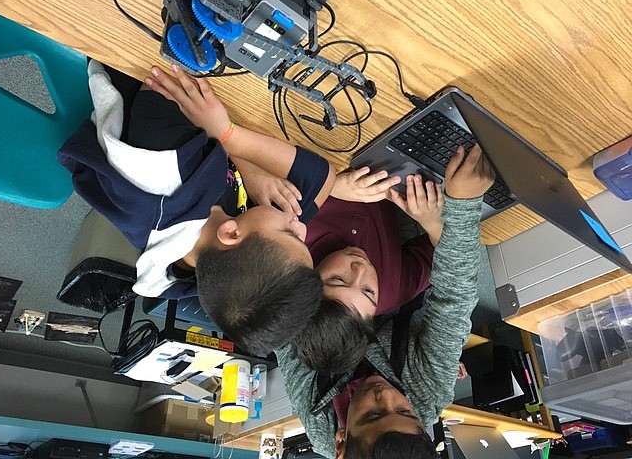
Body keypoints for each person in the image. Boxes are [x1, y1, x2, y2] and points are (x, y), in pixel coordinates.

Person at [58, 60, 335, 354]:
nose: (301, 225)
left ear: (231, 234)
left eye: (291, 235)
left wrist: (229, 137)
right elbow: (322, 177)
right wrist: (246, 165)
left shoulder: (163, 168)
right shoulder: (225, 262)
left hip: (129, 63)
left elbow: (171, 66)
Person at [276, 144, 495, 458]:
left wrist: (325, 190)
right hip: (401, 284)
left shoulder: (317, 413)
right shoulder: (428, 395)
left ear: (341, 442)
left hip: (325, 270)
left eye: (372, 414)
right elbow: (454, 300)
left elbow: (284, 315)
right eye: (404, 411)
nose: (384, 395)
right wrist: (462, 205)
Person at [292, 168, 445, 374]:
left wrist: (332, 184)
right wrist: (432, 222)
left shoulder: (290, 242)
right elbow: (447, 256)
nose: (360, 269)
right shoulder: (390, 292)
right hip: (390, 168)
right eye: (368, 291)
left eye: (338, 279)